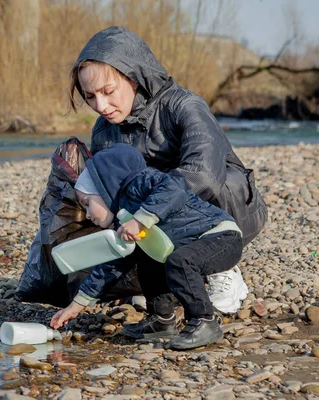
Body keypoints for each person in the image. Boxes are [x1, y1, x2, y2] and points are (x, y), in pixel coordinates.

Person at [67, 26, 267, 314]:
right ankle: (159, 276)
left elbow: (203, 175)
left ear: (134, 77)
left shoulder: (185, 106)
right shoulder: (104, 130)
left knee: (221, 181)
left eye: (108, 92)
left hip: (222, 211)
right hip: (157, 216)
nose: (100, 106)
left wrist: (149, 206)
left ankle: (223, 269)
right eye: (90, 96)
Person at [50, 143, 243, 350]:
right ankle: (162, 319)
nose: (88, 214)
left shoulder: (139, 183)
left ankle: (204, 321)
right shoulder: (123, 223)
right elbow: (110, 268)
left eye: (87, 203)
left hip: (221, 236)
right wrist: (77, 304)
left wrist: (141, 219)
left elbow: (173, 189)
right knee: (146, 259)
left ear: (105, 187)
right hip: (196, 243)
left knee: (180, 262)